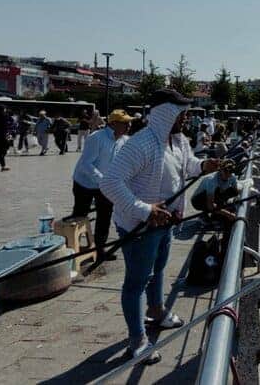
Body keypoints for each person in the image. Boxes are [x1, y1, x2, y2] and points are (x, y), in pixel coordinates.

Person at [101, 89, 219, 363]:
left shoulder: (178, 141)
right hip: (139, 227)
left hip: (166, 222)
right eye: (182, 112)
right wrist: (145, 210)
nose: (186, 117)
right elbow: (109, 183)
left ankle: (157, 312)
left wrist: (204, 165)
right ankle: (137, 340)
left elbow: (187, 166)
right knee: (136, 282)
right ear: (166, 112)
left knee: (159, 270)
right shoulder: (140, 144)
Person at [71, 109, 132, 260]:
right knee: (80, 216)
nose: (129, 125)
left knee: (105, 216)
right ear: (113, 124)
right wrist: (103, 180)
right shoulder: (96, 137)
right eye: (125, 123)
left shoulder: (124, 140)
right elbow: (86, 164)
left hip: (105, 185)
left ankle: (100, 251)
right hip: (84, 182)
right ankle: (73, 250)